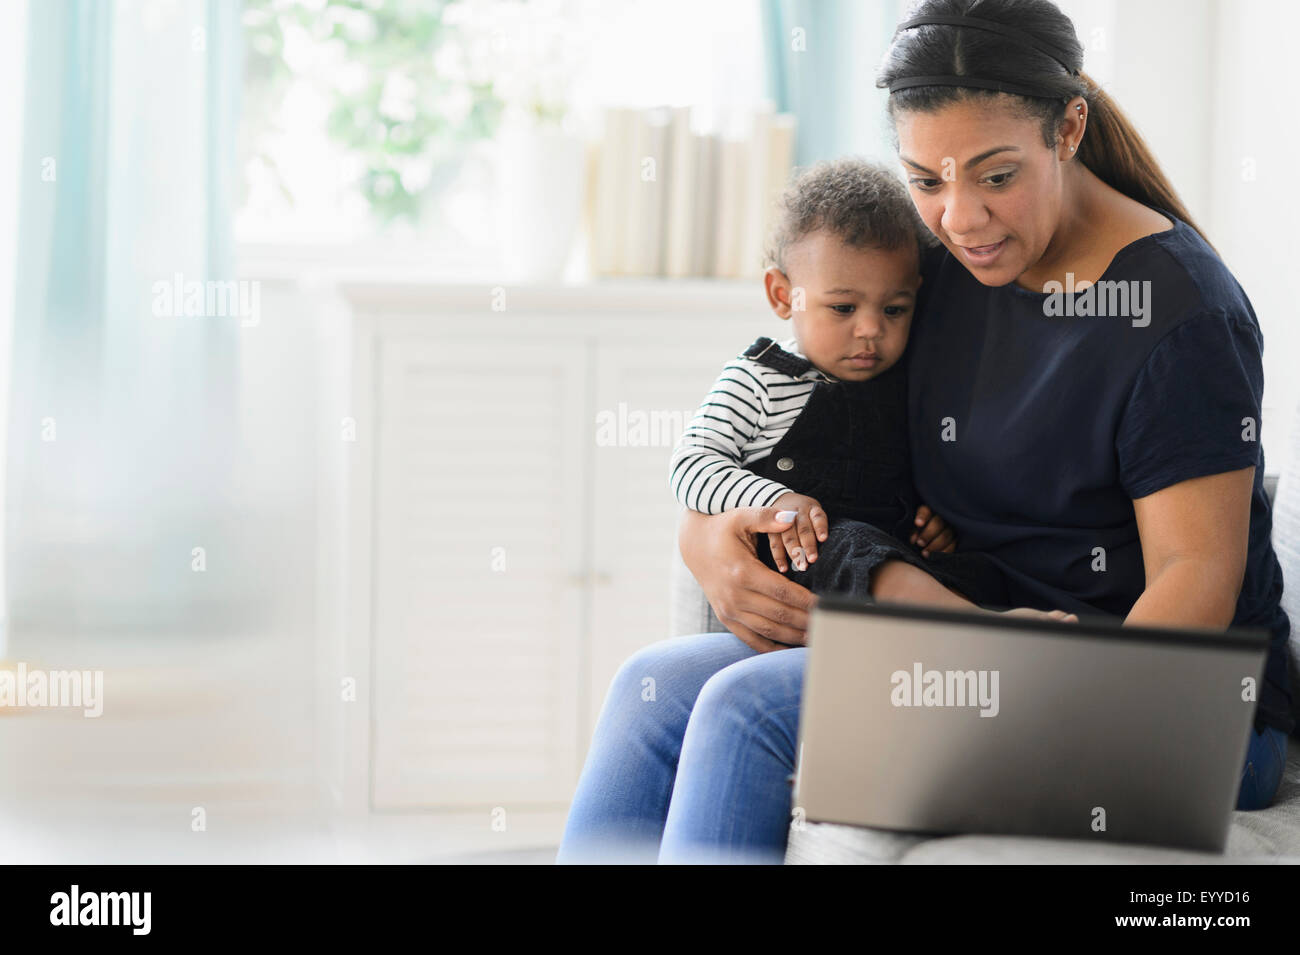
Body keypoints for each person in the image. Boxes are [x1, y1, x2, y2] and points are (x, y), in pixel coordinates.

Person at [558, 0, 1292, 865]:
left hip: (1171, 705)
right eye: (927, 180)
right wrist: (707, 537)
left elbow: (1195, 573)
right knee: (652, 691)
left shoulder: (1183, 317)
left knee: (746, 709)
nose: (960, 218)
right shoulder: (947, 270)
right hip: (974, 636)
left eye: (995, 175)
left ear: (1069, 129)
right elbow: (814, 422)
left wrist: (1051, 694)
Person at [670, 157, 1064, 616]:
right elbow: (690, 464)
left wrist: (926, 520)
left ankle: (974, 622)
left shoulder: (901, 385)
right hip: (801, 566)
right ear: (782, 295)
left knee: (978, 569)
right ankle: (981, 629)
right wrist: (772, 500)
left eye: (894, 309)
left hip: (883, 572)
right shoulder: (759, 378)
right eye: (842, 308)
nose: (871, 330)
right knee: (853, 544)